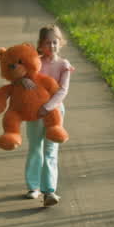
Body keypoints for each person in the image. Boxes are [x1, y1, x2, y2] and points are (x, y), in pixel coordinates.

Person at [21, 25, 74, 207]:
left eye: (55, 42)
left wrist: (48, 107)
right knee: (35, 148)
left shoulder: (64, 65)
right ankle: (33, 186)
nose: (51, 46)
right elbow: (19, 74)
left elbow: (62, 91)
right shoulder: (35, 62)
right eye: (47, 43)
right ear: (41, 44)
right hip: (34, 112)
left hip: (55, 112)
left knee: (51, 151)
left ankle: (49, 190)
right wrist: (23, 80)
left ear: (60, 43)